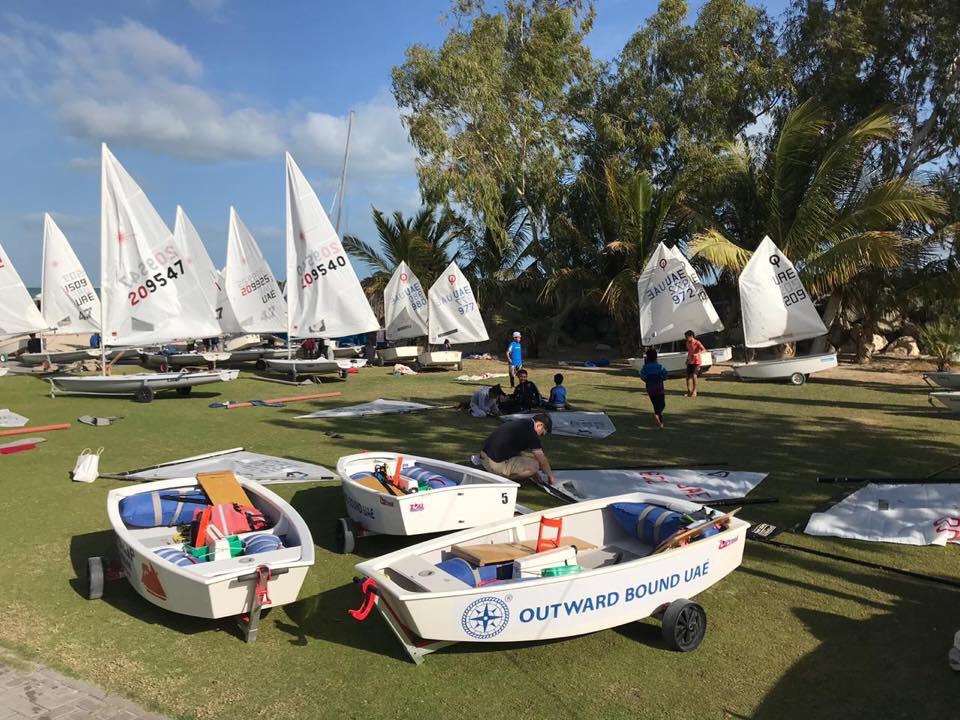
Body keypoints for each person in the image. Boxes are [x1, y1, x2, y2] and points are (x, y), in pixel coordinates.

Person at [480, 413, 556, 485]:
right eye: (542, 433)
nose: (540, 436)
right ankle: (505, 479)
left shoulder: (522, 423)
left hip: (484, 457)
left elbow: (516, 452)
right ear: (540, 425)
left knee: (525, 458)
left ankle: (500, 473)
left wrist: (534, 474)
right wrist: (550, 475)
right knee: (535, 465)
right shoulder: (531, 432)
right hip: (494, 464)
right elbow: (541, 457)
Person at [639, 347, 669, 428]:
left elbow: (641, 375)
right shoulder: (659, 366)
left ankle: (660, 423)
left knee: (655, 404)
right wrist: (663, 378)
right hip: (659, 387)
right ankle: (658, 416)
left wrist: (646, 380)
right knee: (662, 404)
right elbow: (665, 374)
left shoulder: (645, 367)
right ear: (656, 357)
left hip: (650, 388)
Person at [684, 329, 707, 397]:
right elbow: (689, 352)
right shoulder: (687, 343)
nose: (686, 338)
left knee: (694, 376)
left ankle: (694, 391)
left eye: (687, 337)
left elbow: (704, 350)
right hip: (690, 361)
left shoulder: (697, 342)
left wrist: (697, 354)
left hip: (697, 362)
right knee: (687, 376)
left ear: (691, 336)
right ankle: (689, 391)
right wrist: (687, 359)